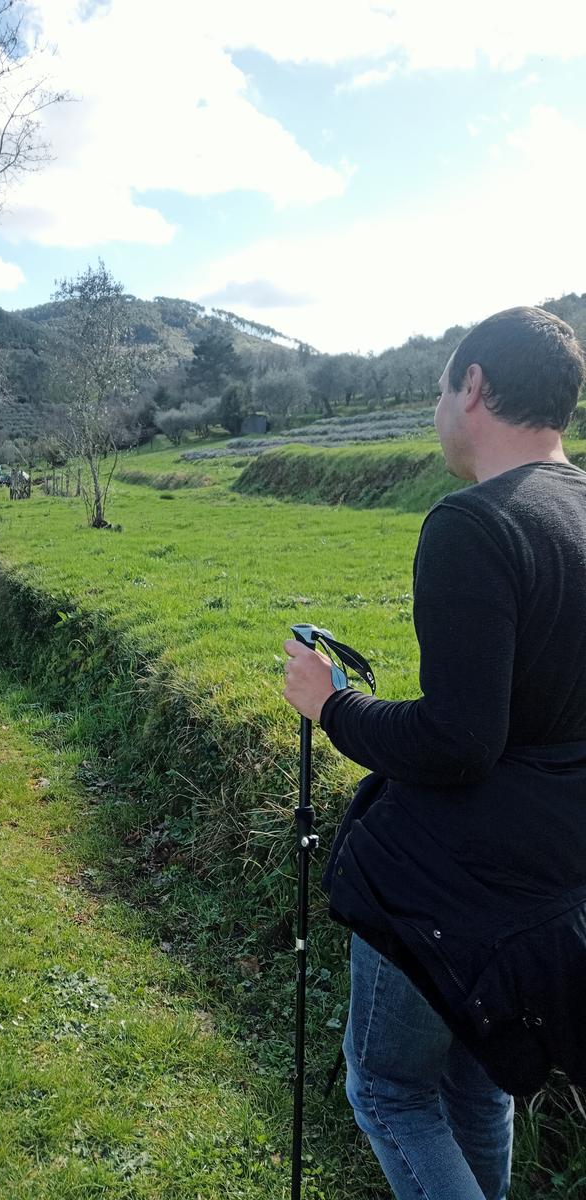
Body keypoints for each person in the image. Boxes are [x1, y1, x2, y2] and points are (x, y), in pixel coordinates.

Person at [283, 306, 586, 1200]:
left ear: (477, 388)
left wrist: (332, 706)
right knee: (476, 1084)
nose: (437, 405)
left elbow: (459, 740)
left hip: (453, 888)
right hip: (556, 879)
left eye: (442, 386)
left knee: (388, 1089)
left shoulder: (473, 524)